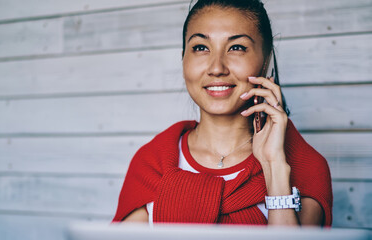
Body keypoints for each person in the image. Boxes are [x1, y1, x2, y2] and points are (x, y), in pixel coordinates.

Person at [113, 0, 332, 226]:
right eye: (200, 48)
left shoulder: (306, 167)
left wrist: (274, 166)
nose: (217, 68)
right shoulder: (151, 162)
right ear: (183, 59)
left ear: (266, 60)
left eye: (236, 47)